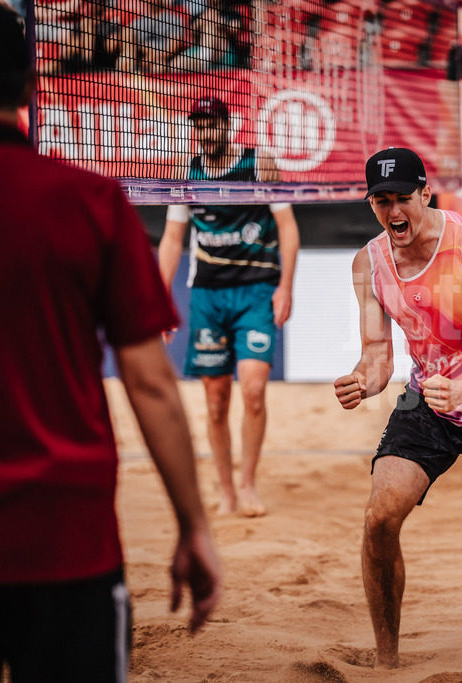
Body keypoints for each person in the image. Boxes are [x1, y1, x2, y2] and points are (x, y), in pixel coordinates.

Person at [0, 1, 222, 680]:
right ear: (32, 87)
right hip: (66, 541)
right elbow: (149, 382)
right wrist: (193, 525)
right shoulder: (89, 200)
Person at [333, 148, 462, 669]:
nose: (393, 210)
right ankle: (386, 661)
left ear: (425, 193)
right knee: (379, 515)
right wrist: (363, 381)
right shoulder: (369, 263)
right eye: (381, 201)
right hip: (427, 400)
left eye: (403, 198)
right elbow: (378, 356)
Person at [159, 95, 299, 518]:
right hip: (207, 295)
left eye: (211, 124)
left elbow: (288, 229)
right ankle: (226, 493)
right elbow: (171, 239)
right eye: (197, 125)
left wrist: (285, 287)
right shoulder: (186, 171)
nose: (204, 132)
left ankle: (248, 484)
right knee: (216, 400)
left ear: (227, 126)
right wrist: (160, 295)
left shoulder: (259, 163)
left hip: (257, 290)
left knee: (253, 391)